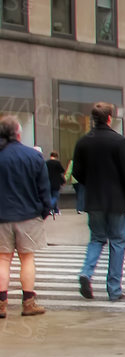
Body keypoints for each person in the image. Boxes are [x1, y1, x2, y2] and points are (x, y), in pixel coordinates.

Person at [71, 102, 125, 302]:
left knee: (96, 238)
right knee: (117, 242)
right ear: (110, 118)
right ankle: (114, 289)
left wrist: (90, 184)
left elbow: (77, 173)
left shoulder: (83, 142)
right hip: (116, 201)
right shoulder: (119, 142)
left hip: (93, 201)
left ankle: (86, 272)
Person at [0, 113, 52, 317]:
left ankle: (1, 304)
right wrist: (44, 211)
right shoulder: (33, 156)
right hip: (29, 216)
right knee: (27, 258)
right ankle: (28, 303)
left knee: (3, 259)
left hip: (1, 218)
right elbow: (44, 189)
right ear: (19, 134)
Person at [45, 150, 65, 217]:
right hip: (56, 182)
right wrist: (63, 181)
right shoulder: (57, 163)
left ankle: (56, 210)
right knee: (55, 196)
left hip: (48, 182)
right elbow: (62, 171)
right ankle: (49, 208)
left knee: (51, 196)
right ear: (56, 156)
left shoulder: (46, 163)